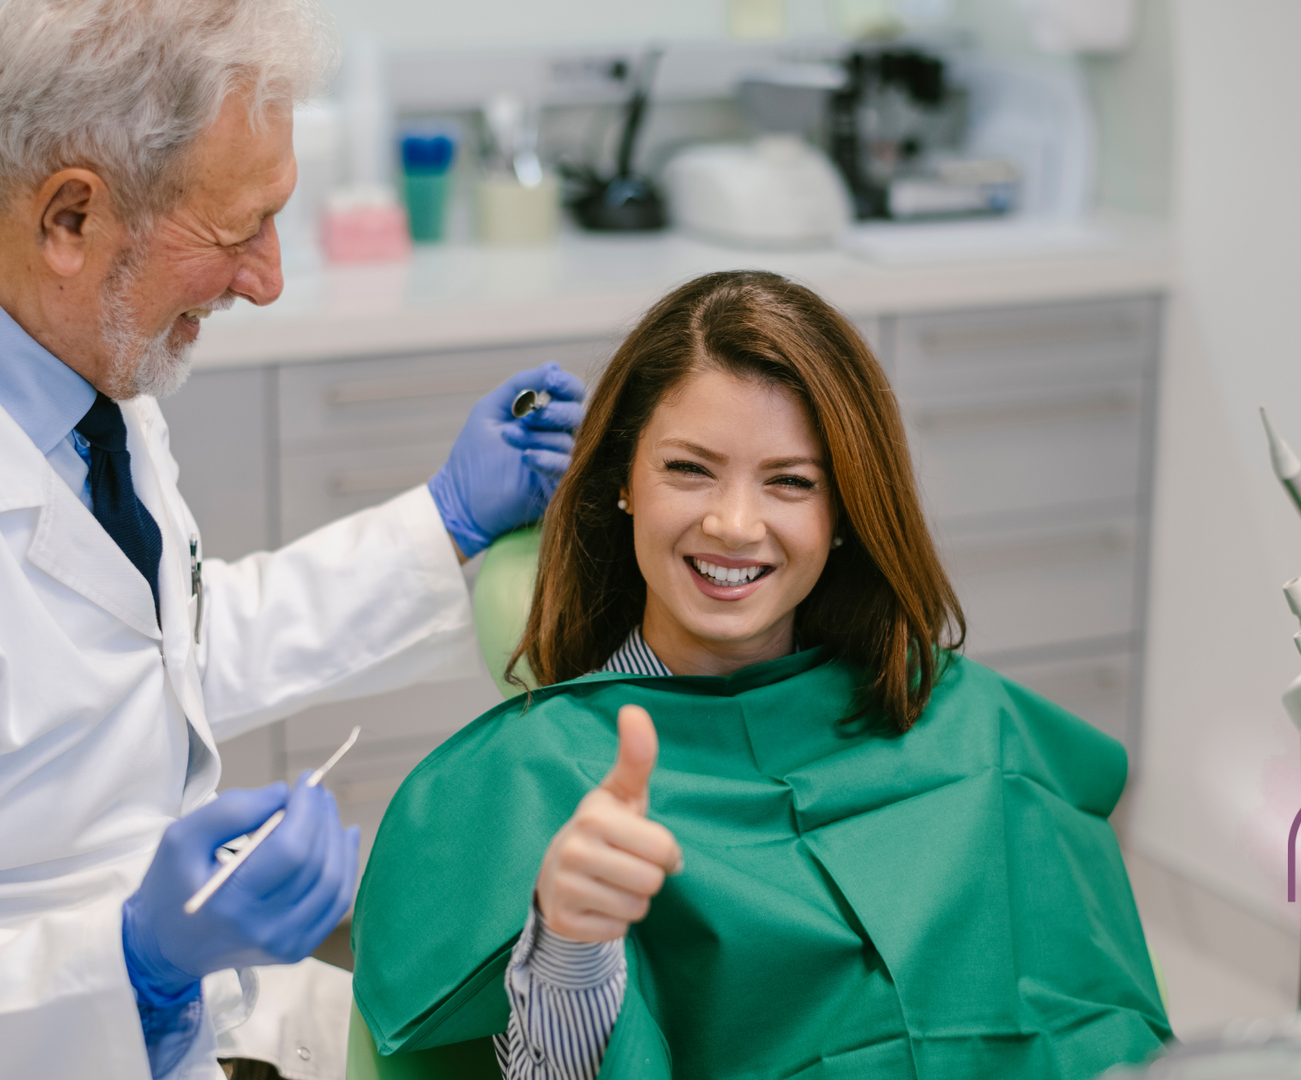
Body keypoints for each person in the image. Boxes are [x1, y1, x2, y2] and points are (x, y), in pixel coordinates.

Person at [0, 1, 584, 1078]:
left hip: (187, 1024)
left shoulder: (56, 361)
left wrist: (445, 522)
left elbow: (156, 650)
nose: (268, 278)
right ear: (70, 218)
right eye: (239, 229)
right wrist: (133, 962)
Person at [351, 271, 1170, 1079]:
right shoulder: (536, 775)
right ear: (624, 482)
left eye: (791, 482)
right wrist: (571, 939)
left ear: (844, 511)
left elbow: (1089, 1018)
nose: (735, 525)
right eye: (689, 469)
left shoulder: (964, 723)